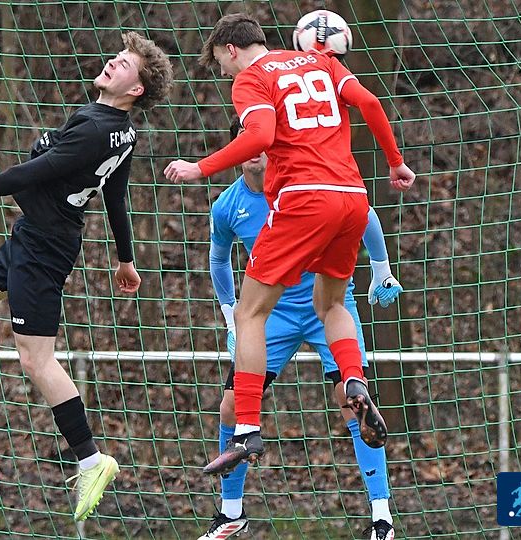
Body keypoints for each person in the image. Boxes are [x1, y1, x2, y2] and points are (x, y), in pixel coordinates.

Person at [0, 32, 173, 521]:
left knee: (36, 360)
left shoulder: (96, 129)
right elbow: (114, 196)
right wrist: (125, 258)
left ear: (136, 90)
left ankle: (91, 459)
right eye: (115, 56)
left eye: (125, 64)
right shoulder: (119, 130)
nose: (113, 63)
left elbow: (34, 173)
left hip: (45, 246)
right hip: (37, 233)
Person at [164, 13, 415, 475]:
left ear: (231, 50)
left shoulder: (251, 79)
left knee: (249, 313)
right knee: (332, 303)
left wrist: (200, 167)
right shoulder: (321, 61)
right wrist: (395, 162)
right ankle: (354, 381)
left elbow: (260, 136)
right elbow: (371, 102)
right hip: (353, 197)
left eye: (220, 62)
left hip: (303, 200)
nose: (223, 72)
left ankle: (246, 430)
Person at [199, 123, 399, 540]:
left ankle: (382, 519)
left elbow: (363, 211)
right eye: (243, 140)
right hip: (271, 312)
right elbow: (218, 260)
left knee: (351, 400)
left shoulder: (300, 182)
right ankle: (231, 515)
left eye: (259, 141)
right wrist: (231, 315)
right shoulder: (227, 206)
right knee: (231, 406)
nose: (253, 149)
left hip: (327, 303)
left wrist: (381, 268)